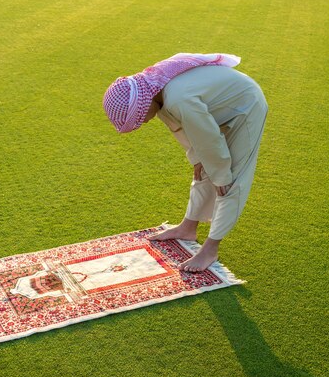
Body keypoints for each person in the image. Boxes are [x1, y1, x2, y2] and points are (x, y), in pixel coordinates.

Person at [103, 53, 268, 272]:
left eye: (139, 117)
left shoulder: (176, 98)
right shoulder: (156, 92)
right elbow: (185, 130)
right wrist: (198, 159)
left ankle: (210, 249)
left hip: (246, 106)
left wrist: (220, 174)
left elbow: (208, 139)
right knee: (202, 171)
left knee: (231, 181)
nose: (142, 121)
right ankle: (188, 228)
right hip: (215, 110)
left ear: (141, 103)